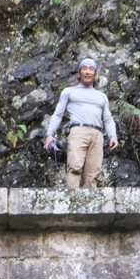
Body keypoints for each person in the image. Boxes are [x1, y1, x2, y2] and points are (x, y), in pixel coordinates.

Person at [44, 58, 118, 189]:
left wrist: (113, 136)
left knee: (93, 173)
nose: (87, 72)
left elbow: (107, 119)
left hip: (97, 134)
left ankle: (89, 206)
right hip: (78, 131)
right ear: (79, 73)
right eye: (84, 68)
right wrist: (50, 134)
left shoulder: (101, 96)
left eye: (91, 69)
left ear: (95, 74)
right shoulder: (69, 91)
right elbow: (58, 114)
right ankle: (71, 203)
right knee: (74, 167)